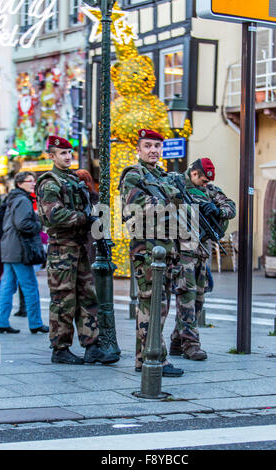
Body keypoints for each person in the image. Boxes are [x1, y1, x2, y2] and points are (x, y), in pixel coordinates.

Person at [35, 135, 119, 365]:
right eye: (62, 153)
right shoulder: (49, 182)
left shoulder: (73, 180)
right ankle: (60, 348)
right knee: (64, 299)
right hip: (61, 249)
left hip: (80, 247)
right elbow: (54, 215)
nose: (67, 156)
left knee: (87, 297)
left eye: (69, 152)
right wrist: (85, 218)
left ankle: (91, 346)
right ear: (51, 156)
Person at [119, 129, 184, 378]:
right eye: (147, 146)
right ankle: (154, 357)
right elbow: (135, 206)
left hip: (165, 249)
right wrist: (170, 201)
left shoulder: (164, 177)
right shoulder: (133, 175)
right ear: (139, 149)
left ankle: (144, 357)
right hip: (146, 249)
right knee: (151, 304)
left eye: (157, 146)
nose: (153, 150)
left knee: (161, 305)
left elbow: (181, 207)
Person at [170, 157, 236, 360]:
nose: (206, 184)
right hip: (182, 250)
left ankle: (176, 341)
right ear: (194, 173)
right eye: (204, 180)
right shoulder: (175, 184)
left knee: (198, 298)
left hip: (201, 250)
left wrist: (218, 210)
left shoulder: (209, 190)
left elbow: (230, 207)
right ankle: (191, 344)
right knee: (187, 296)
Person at [0, 172, 49, 335]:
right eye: (30, 181)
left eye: (34, 181)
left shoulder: (11, 198)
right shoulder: (23, 200)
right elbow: (24, 225)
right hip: (20, 250)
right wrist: (39, 223)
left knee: (7, 286)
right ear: (19, 183)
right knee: (30, 286)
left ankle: (1, 321)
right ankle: (35, 323)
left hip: (9, 248)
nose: (33, 184)